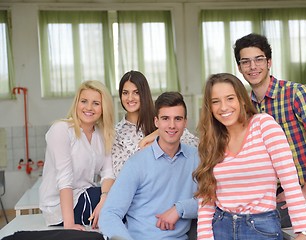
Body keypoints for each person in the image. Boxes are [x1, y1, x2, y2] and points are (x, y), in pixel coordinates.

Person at [233, 33, 306, 227]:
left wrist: (305, 192)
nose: (253, 67)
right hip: (273, 193)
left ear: (269, 62)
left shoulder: (296, 94)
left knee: (255, 224)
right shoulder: (245, 108)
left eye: (258, 59)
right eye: (246, 62)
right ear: (239, 67)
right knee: (230, 217)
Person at [193, 73, 306, 240]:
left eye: (230, 98)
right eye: (215, 101)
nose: (223, 107)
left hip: (260, 228)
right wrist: (204, 237)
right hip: (221, 227)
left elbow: (289, 181)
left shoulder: (264, 125)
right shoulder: (211, 141)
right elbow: (206, 197)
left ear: (242, 99)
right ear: (210, 108)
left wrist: (304, 231)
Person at [99, 92, 199, 240]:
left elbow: (215, 200)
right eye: (165, 118)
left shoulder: (197, 158)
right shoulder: (136, 164)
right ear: (156, 122)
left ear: (185, 122)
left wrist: (180, 209)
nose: (172, 125)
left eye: (177, 119)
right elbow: (109, 214)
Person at [39, 80, 115, 230]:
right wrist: (69, 225)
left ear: (103, 108)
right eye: (84, 101)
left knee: (120, 195)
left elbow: (108, 174)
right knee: (123, 203)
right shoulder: (61, 130)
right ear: (76, 103)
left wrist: (104, 198)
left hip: (85, 194)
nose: (88, 108)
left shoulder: (102, 135)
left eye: (96, 103)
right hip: (60, 206)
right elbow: (64, 179)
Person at [112, 70, 198, 177]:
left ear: (144, 94)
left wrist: (155, 134)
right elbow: (120, 171)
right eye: (125, 93)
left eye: (136, 92)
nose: (130, 98)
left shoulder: (163, 119)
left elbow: (193, 144)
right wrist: (144, 144)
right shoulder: (116, 133)